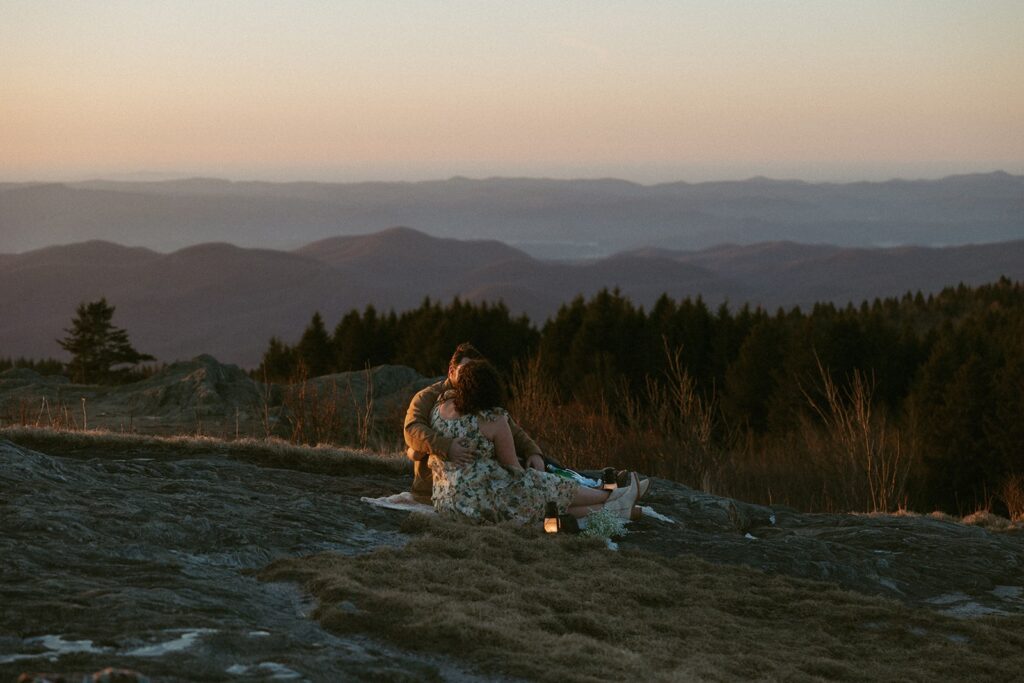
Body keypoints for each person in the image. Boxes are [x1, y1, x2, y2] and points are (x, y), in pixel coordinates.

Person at [426, 358, 639, 523]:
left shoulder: (439, 410)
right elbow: (513, 469)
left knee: (544, 502)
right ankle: (612, 496)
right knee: (541, 485)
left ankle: (616, 508)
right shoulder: (493, 419)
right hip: (482, 501)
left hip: (448, 502)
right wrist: (537, 477)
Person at [404, 343, 549, 503]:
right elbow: (412, 429)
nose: (470, 375)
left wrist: (533, 452)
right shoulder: (428, 397)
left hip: (478, 488)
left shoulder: (479, 396)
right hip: (431, 489)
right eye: (465, 370)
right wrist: (447, 446)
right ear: (451, 371)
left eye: (475, 370)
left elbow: (511, 429)